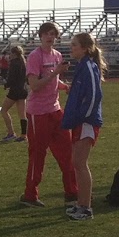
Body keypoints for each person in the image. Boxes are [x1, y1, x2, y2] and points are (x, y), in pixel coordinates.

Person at [20, 21, 78, 207]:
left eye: (53, 34)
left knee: (67, 152)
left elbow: (54, 81)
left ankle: (72, 192)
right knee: (38, 154)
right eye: (46, 34)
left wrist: (64, 86)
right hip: (38, 112)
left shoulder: (57, 55)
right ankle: (30, 194)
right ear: (40, 36)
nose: (50, 37)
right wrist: (55, 74)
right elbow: (35, 85)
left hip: (55, 109)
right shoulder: (35, 57)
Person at [60, 32, 106, 220]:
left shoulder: (88, 66)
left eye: (74, 45)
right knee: (77, 163)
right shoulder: (82, 66)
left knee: (80, 163)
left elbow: (95, 95)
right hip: (80, 120)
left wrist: (83, 116)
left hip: (86, 122)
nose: (71, 48)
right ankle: (81, 204)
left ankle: (86, 208)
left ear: (85, 48)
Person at [0, 44, 29, 141]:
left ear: (14, 54)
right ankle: (24, 135)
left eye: (11, 53)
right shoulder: (23, 62)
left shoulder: (13, 63)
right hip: (23, 90)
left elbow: (12, 78)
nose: (10, 55)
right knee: (22, 114)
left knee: (4, 110)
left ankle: (11, 132)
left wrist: (6, 84)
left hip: (15, 91)